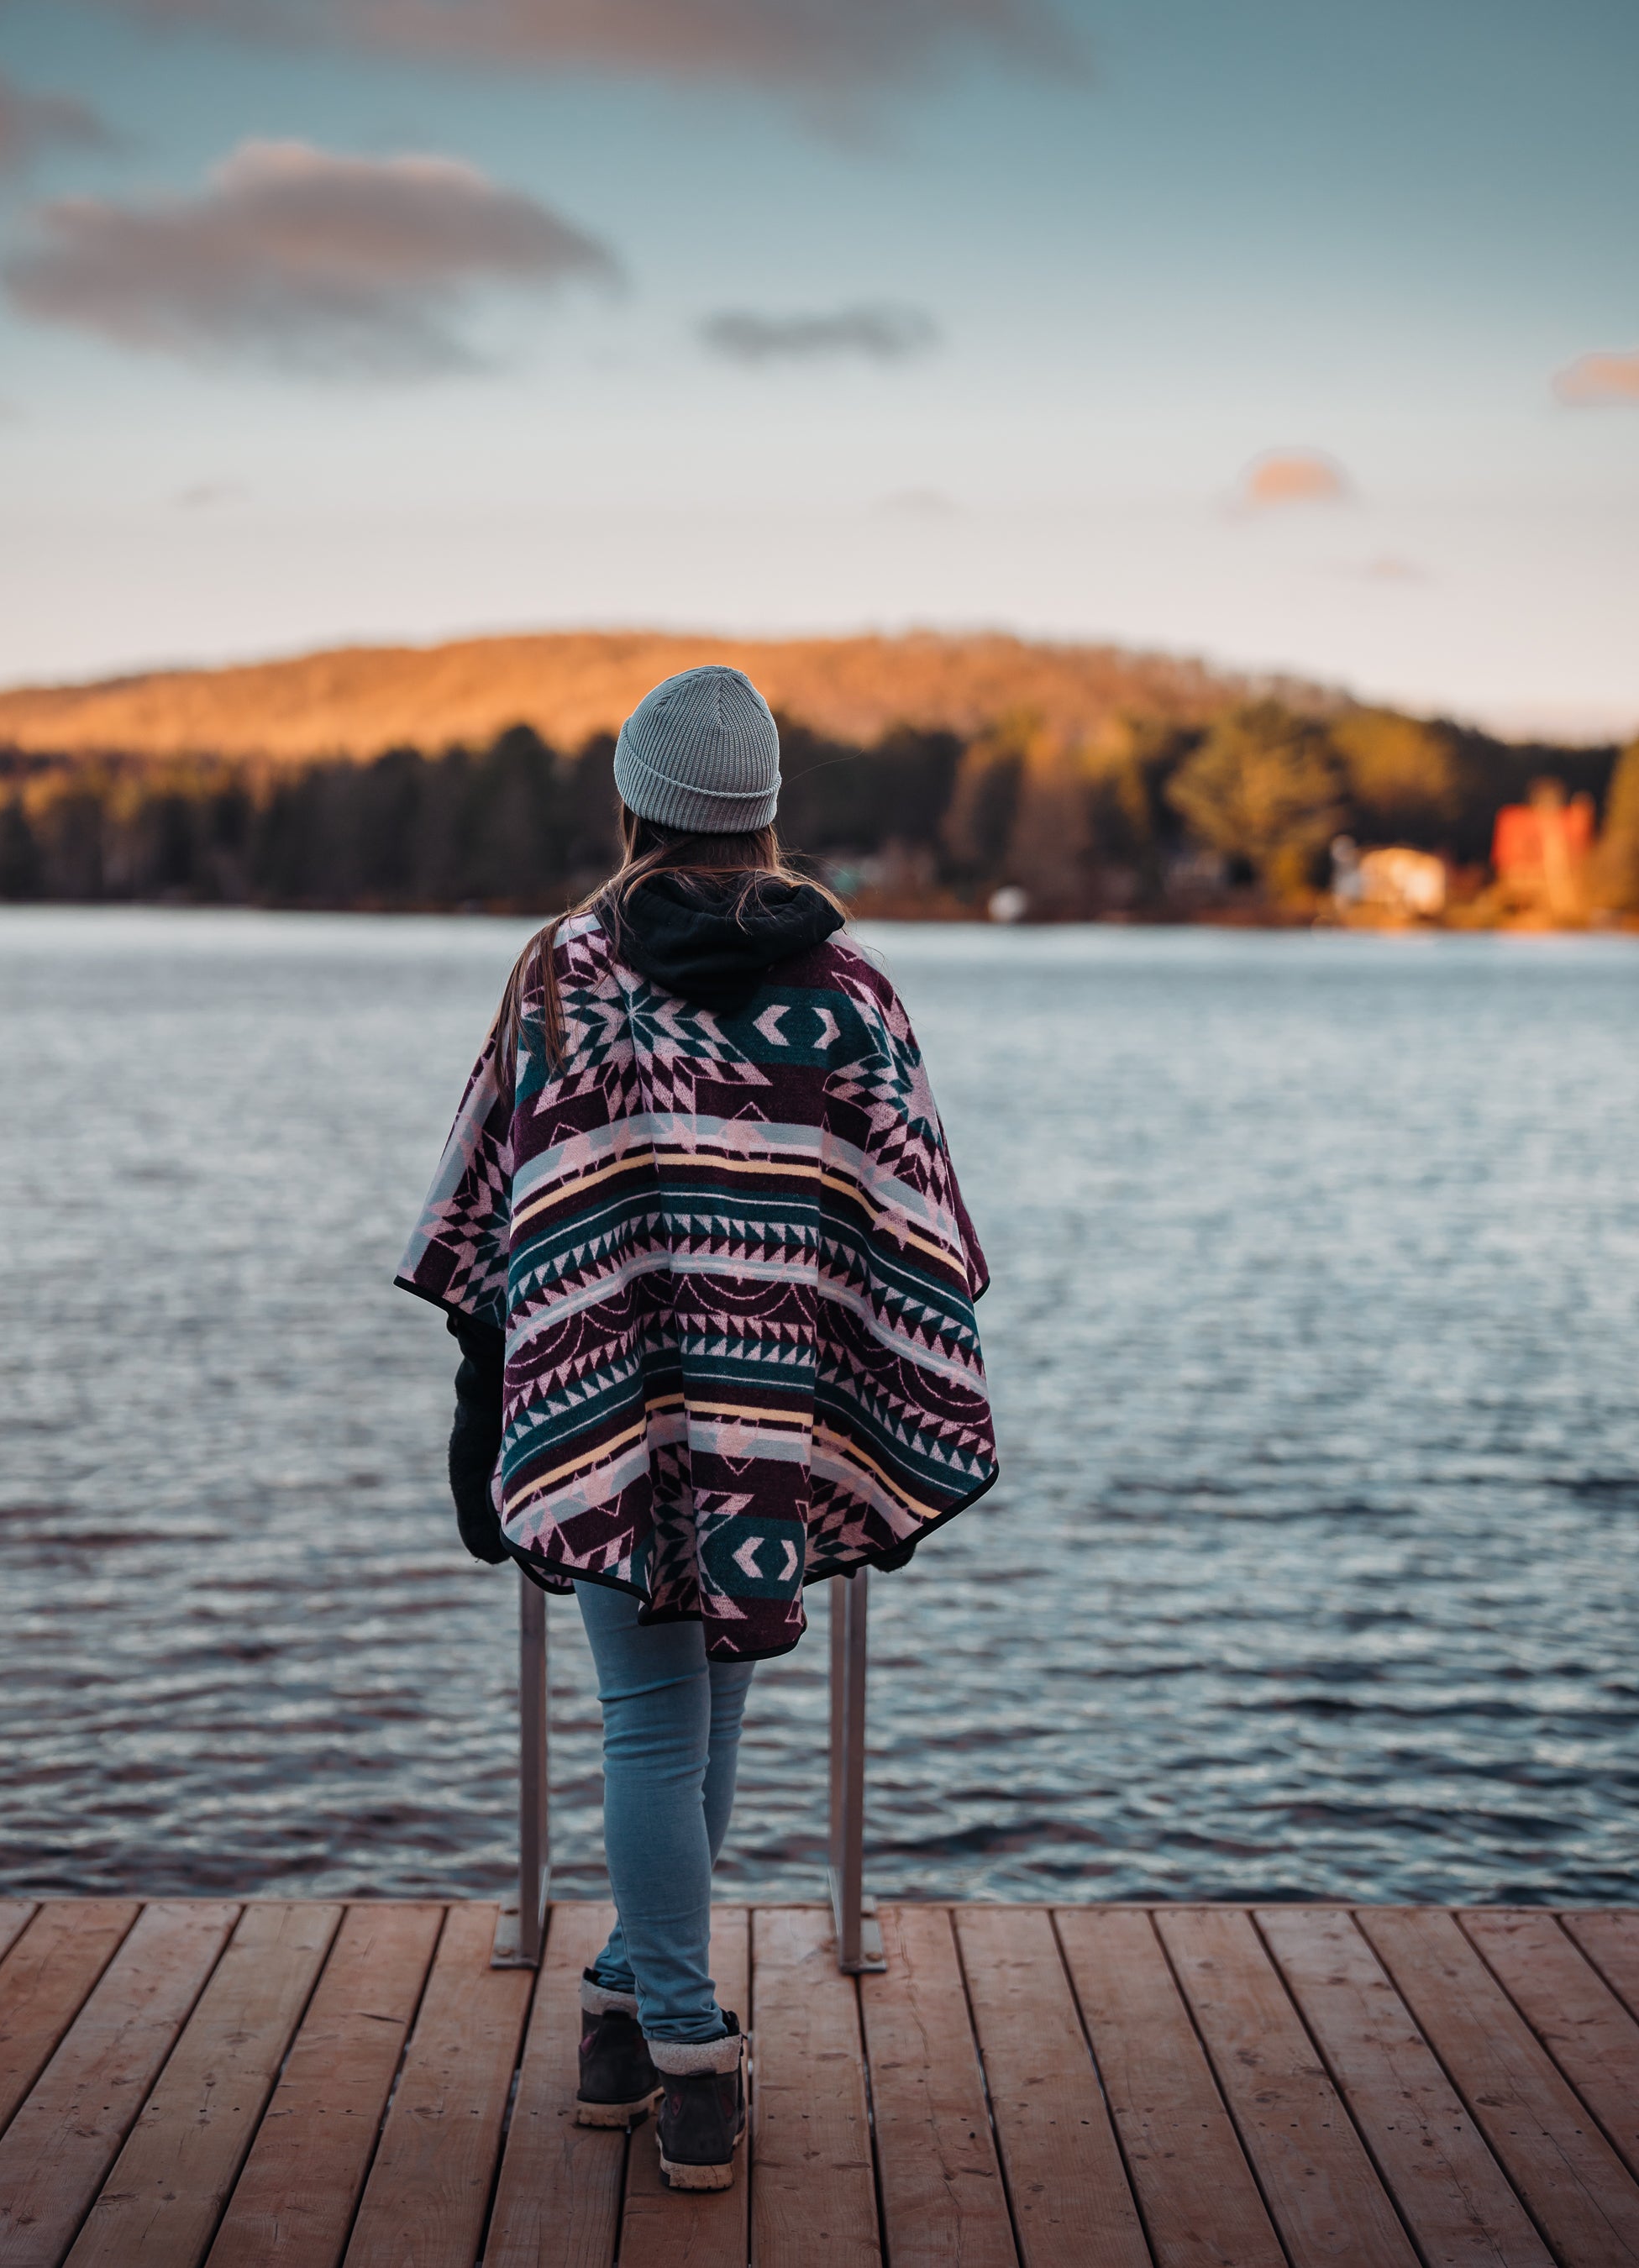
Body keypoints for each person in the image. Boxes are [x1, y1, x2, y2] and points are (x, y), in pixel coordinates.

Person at [396, 664, 997, 2191]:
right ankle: (666, 2035)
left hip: (607, 1407)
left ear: (636, 805)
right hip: (773, 1423)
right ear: (767, 815)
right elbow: (912, 1233)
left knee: (669, 1721)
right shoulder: (854, 991)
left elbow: (492, 1220)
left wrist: (490, 1420)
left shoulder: (564, 973)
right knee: (696, 1720)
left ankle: (651, 2031)